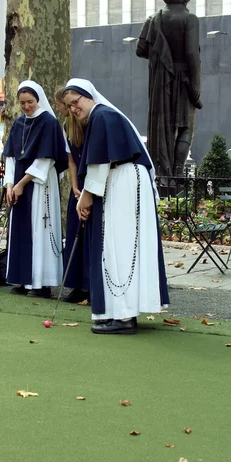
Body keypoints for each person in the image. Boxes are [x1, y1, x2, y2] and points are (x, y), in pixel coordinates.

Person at [63, 79, 169, 335]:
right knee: (120, 246)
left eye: (75, 102)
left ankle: (123, 316)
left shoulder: (101, 116)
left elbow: (99, 163)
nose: (73, 109)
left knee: (119, 246)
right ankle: (120, 311)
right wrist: (88, 194)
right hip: (124, 180)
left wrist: (86, 196)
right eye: (68, 106)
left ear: (87, 96)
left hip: (123, 181)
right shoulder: (103, 116)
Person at [3, 80, 68, 298]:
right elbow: (11, 156)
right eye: (22, 103)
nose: (26, 106)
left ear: (37, 99)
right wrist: (10, 184)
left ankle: (41, 283)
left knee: (40, 229)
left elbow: (47, 158)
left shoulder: (48, 122)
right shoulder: (19, 123)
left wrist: (22, 183)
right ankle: (23, 278)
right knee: (21, 230)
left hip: (40, 183)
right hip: (20, 182)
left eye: (30, 102)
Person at [136, 0, 202, 180]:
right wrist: (196, 85)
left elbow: (140, 50)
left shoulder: (153, 19)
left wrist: (162, 59)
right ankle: (178, 172)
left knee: (163, 125)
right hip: (183, 79)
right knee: (185, 126)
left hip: (160, 81)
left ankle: (162, 172)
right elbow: (192, 54)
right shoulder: (190, 19)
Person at [54, 86, 90, 304]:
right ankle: (76, 284)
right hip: (79, 188)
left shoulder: (87, 123)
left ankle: (89, 285)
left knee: (88, 238)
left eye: (62, 105)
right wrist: (75, 187)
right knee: (74, 231)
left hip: (91, 185)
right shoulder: (67, 126)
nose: (60, 109)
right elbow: (71, 161)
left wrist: (85, 189)